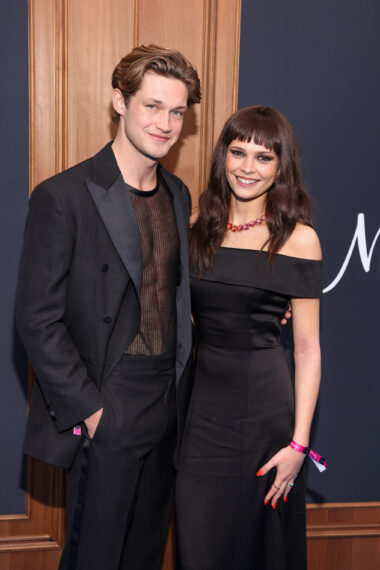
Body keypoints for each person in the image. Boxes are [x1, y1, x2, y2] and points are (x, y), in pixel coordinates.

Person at [16, 45, 201, 570]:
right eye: (152, 106)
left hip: (168, 401)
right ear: (119, 101)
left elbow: (178, 292)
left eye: (177, 111)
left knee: (144, 555)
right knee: (94, 558)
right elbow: (37, 318)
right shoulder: (64, 195)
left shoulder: (179, 194)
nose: (165, 123)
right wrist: (93, 411)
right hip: (109, 399)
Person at [175, 105, 322, 570]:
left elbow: (307, 349)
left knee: (259, 549)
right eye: (238, 152)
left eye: (263, 157)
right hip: (201, 414)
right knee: (198, 546)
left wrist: (299, 446)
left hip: (264, 413)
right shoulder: (197, 228)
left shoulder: (298, 240)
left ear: (281, 167)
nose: (247, 167)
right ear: (223, 157)